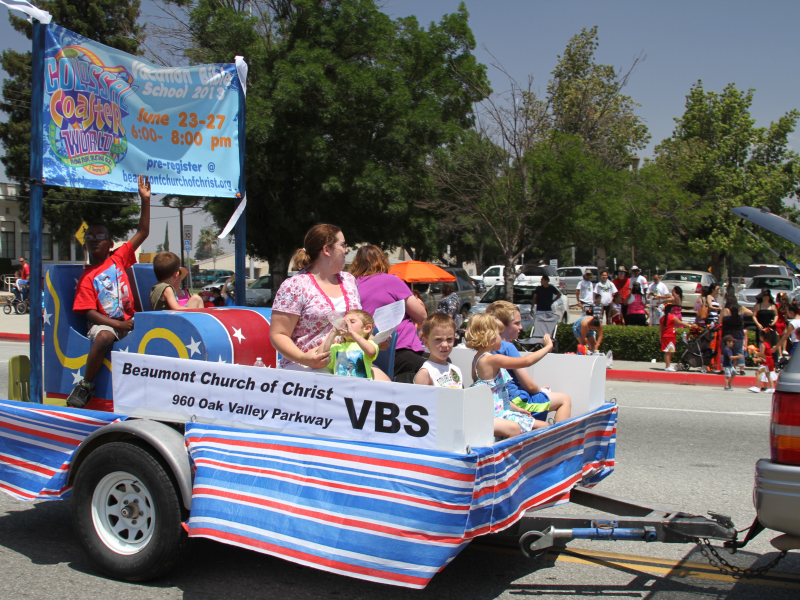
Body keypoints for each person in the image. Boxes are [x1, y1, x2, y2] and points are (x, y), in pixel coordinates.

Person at [67, 175, 151, 408]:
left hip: (128, 321)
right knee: (104, 337)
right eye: (90, 237)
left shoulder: (118, 258)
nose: (94, 240)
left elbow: (142, 232)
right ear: (85, 244)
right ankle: (85, 386)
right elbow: (89, 313)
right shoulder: (87, 277)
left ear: (110, 242)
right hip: (105, 324)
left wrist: (145, 200)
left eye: (100, 236)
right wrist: (118, 326)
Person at [270, 224, 360, 372]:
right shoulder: (294, 285)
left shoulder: (349, 280)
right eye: (343, 244)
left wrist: (372, 340)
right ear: (327, 250)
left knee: (386, 387)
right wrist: (304, 358)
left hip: (349, 363)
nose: (347, 249)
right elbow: (279, 334)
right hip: (306, 367)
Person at [465, 313, 553, 439]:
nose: (502, 338)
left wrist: (517, 409)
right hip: (499, 415)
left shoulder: (476, 360)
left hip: (497, 411)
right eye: (499, 334)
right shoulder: (492, 359)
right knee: (544, 426)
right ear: (490, 336)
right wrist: (548, 347)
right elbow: (526, 361)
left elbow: (495, 395)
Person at [486, 301, 571, 424]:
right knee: (565, 399)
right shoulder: (508, 347)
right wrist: (548, 347)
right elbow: (529, 385)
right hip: (517, 401)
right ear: (501, 326)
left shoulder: (486, 349)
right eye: (517, 323)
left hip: (500, 401)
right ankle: (559, 439)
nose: (521, 327)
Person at [350, 245, 428, 378]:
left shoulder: (352, 285)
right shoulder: (390, 280)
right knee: (438, 369)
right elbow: (421, 315)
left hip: (367, 352)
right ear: (382, 261)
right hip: (397, 348)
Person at [321, 309, 380, 379]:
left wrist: (352, 333)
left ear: (366, 328)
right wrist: (332, 333)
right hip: (340, 388)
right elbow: (322, 356)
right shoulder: (337, 347)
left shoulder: (369, 344)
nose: (346, 324)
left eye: (352, 322)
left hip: (362, 388)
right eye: (344, 322)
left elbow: (371, 352)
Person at [414, 313, 463, 387]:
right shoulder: (426, 373)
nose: (445, 344)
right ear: (426, 342)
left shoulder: (456, 370)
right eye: (438, 339)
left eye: (449, 339)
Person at [721, 298, 752, 376]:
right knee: (739, 351)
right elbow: (751, 313)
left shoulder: (725, 310)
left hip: (727, 334)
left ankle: (723, 368)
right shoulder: (741, 309)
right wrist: (742, 315)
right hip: (739, 333)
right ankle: (742, 370)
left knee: (725, 352)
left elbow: (720, 322)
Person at [661, 303, 690, 371]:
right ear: (671, 309)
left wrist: (661, 338)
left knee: (670, 351)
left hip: (667, 336)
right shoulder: (672, 317)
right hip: (670, 336)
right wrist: (690, 326)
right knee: (668, 352)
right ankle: (667, 366)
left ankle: (668, 365)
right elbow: (680, 323)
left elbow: (660, 329)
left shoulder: (662, 318)